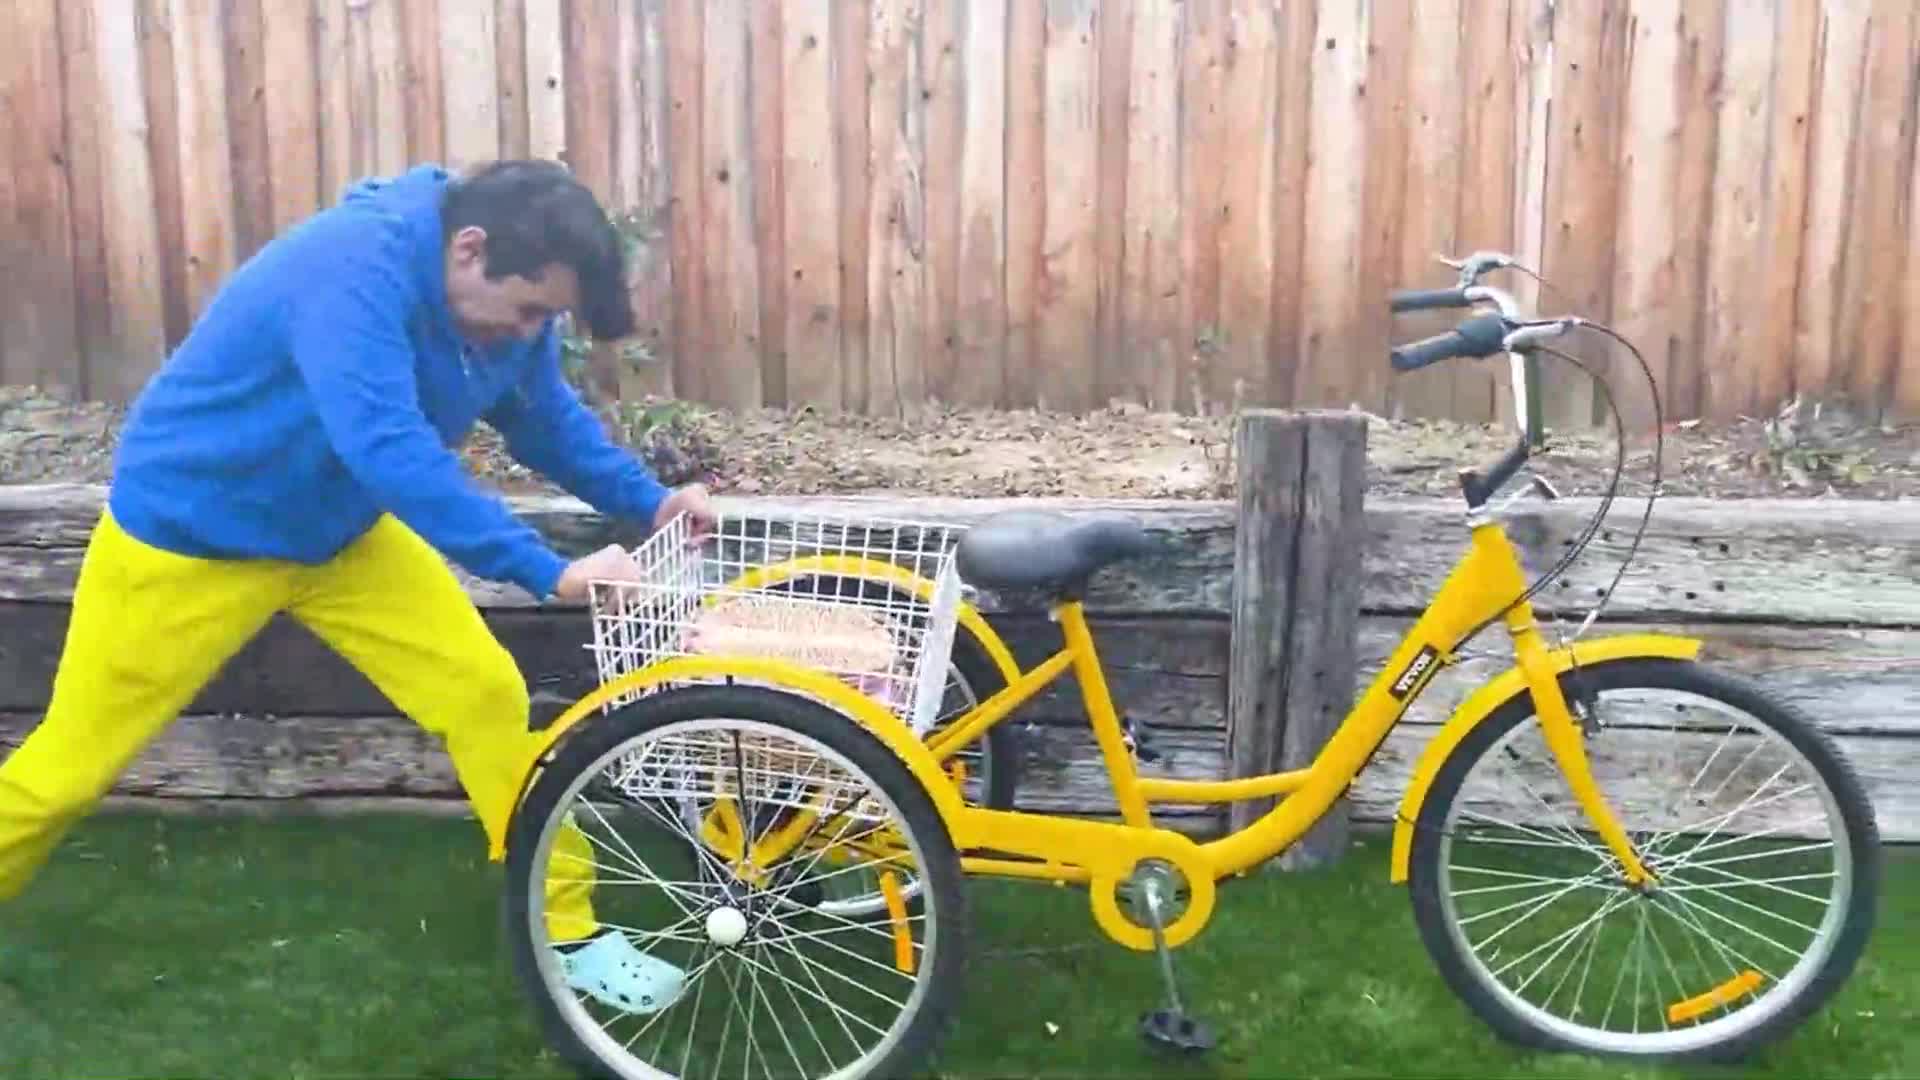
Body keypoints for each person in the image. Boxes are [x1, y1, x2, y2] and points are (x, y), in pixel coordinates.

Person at [0, 160, 708, 1013]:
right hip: (190, 544)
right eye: (528, 309)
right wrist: (546, 570)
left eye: (548, 317)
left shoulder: (497, 315)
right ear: (469, 249)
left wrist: (650, 501)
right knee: (67, 773)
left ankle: (568, 929)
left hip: (336, 539)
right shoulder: (349, 273)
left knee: (483, 691)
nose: (532, 332)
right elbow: (389, 450)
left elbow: (542, 417)